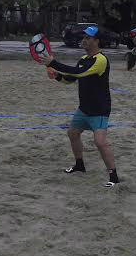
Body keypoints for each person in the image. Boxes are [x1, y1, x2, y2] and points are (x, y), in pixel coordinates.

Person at [40, 26, 119, 188]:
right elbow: (71, 79)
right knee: (73, 133)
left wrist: (54, 63)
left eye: (88, 38)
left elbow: (79, 73)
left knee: (100, 142)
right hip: (84, 108)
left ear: (96, 41)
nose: (84, 40)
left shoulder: (101, 60)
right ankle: (79, 165)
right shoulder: (83, 58)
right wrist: (56, 76)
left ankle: (114, 176)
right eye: (83, 37)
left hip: (99, 110)